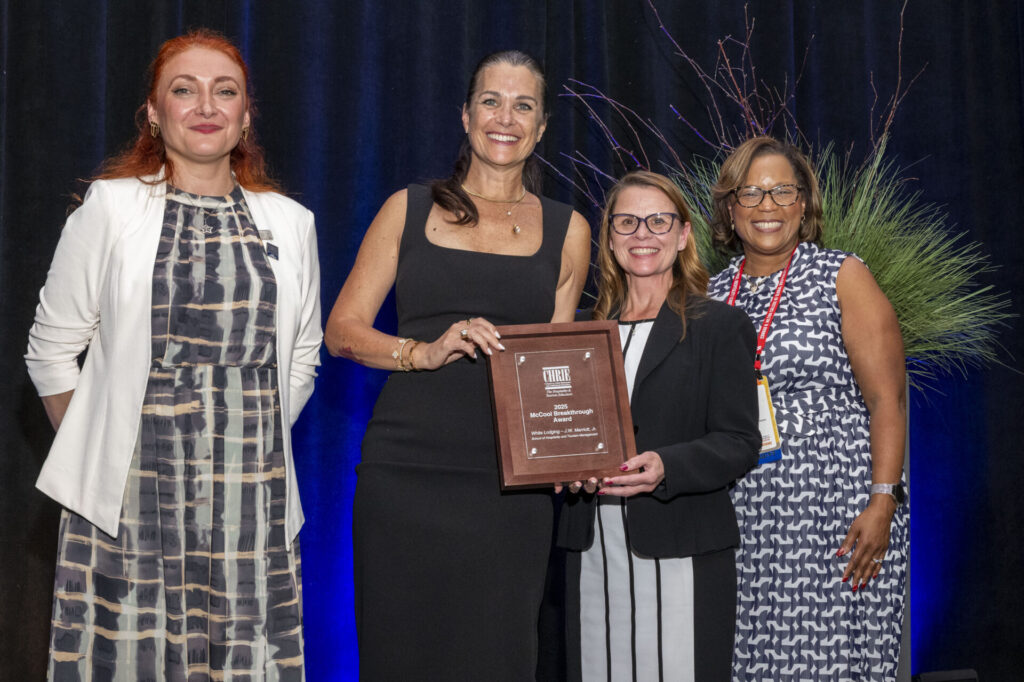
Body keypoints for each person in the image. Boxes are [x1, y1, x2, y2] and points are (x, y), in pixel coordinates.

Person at [25, 29, 321, 681]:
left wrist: (250, 447)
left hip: (252, 516)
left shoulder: (291, 222)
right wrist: (105, 451)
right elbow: (51, 352)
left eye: (225, 92)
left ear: (245, 116)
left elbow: (301, 357)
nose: (205, 105)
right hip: (128, 514)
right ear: (154, 114)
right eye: (183, 91)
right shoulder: (112, 207)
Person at [325, 50, 590, 679]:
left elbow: (557, 368)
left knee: (497, 657)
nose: (506, 117)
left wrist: (575, 452)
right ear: (465, 116)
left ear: (543, 125)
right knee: (400, 656)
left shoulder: (569, 228)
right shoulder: (408, 209)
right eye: (491, 102)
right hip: (405, 474)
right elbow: (342, 331)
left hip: (508, 487)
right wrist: (422, 351)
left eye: (523, 105)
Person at [706, 136, 909, 679]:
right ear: (730, 207)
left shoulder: (842, 275)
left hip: (835, 516)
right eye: (750, 193)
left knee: (831, 662)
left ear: (804, 204)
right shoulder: (710, 294)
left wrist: (883, 501)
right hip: (743, 520)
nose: (767, 206)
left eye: (782, 192)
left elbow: (887, 399)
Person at [556, 171, 761, 680]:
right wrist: (557, 465)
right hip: (591, 552)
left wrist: (666, 466)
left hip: (682, 548)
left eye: (658, 221)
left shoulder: (720, 326)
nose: (642, 234)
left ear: (683, 234)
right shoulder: (576, 330)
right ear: (609, 238)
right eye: (626, 222)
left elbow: (740, 442)